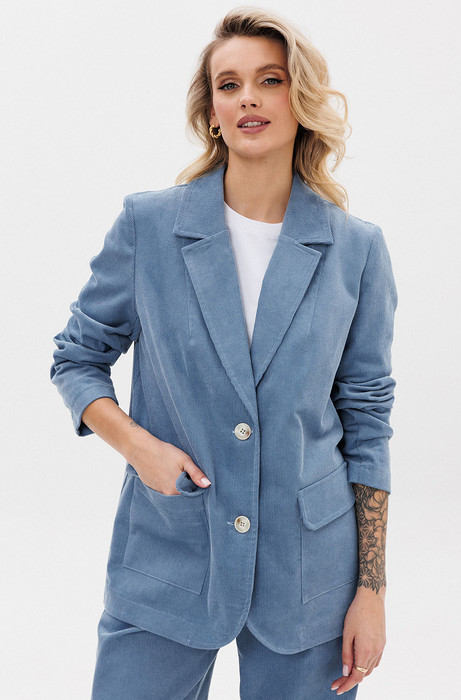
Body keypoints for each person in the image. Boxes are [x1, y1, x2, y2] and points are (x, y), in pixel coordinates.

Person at [50, 6, 398, 699]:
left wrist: (371, 590)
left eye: (270, 80)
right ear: (211, 112)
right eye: (229, 85)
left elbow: (367, 421)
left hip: (309, 573)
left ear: (299, 99)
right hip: (169, 550)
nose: (248, 99)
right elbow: (77, 357)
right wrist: (140, 448)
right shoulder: (150, 226)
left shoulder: (356, 250)